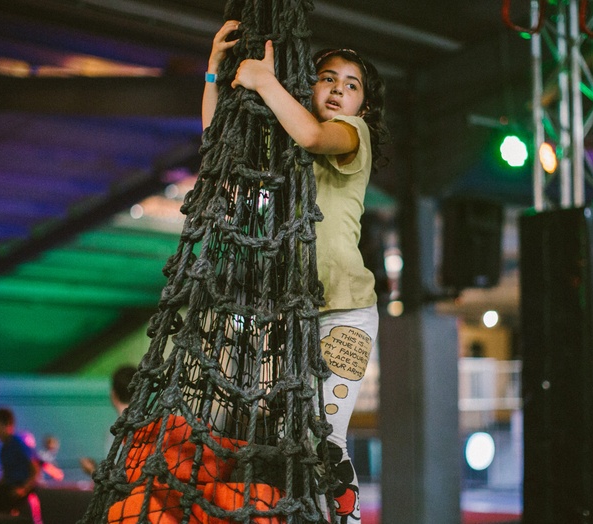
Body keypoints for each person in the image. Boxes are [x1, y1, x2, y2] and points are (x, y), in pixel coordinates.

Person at [203, 21, 389, 524]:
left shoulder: (352, 134)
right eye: (328, 78)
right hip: (287, 314)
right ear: (309, 84)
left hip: (345, 312)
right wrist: (215, 73)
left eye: (351, 86)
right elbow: (216, 147)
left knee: (323, 437)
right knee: (273, 430)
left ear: (362, 107)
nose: (338, 90)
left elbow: (310, 133)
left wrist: (265, 80)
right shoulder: (282, 149)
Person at [0, 407, 42, 524]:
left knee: (0, 509)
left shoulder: (19, 443)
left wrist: (23, 489)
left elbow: (35, 469)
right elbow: (6, 473)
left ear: (8, 424)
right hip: (9, 487)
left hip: (21, 487)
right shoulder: (3, 448)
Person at [80, 365, 137, 476]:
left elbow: (119, 478)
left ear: (113, 395)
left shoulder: (115, 431)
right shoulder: (152, 425)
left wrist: (92, 471)